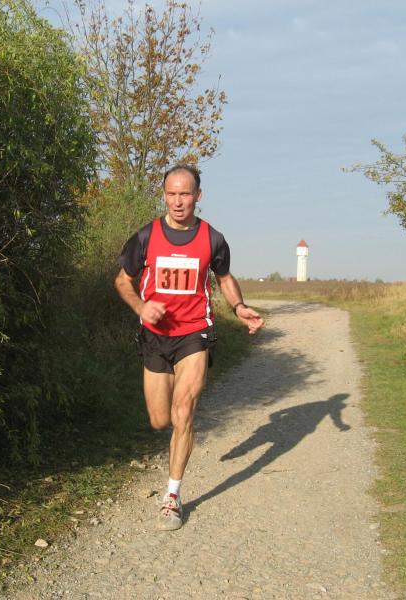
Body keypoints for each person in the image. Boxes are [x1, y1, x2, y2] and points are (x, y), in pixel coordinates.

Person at [114, 165, 264, 531]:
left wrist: (239, 307)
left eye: (185, 194)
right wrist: (141, 306)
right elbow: (122, 281)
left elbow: (224, 277)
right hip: (155, 335)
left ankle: (172, 496)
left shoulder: (212, 238)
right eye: (172, 194)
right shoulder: (146, 236)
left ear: (198, 195)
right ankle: (175, 438)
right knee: (159, 419)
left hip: (195, 332)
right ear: (164, 195)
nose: (178, 201)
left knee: (183, 412)